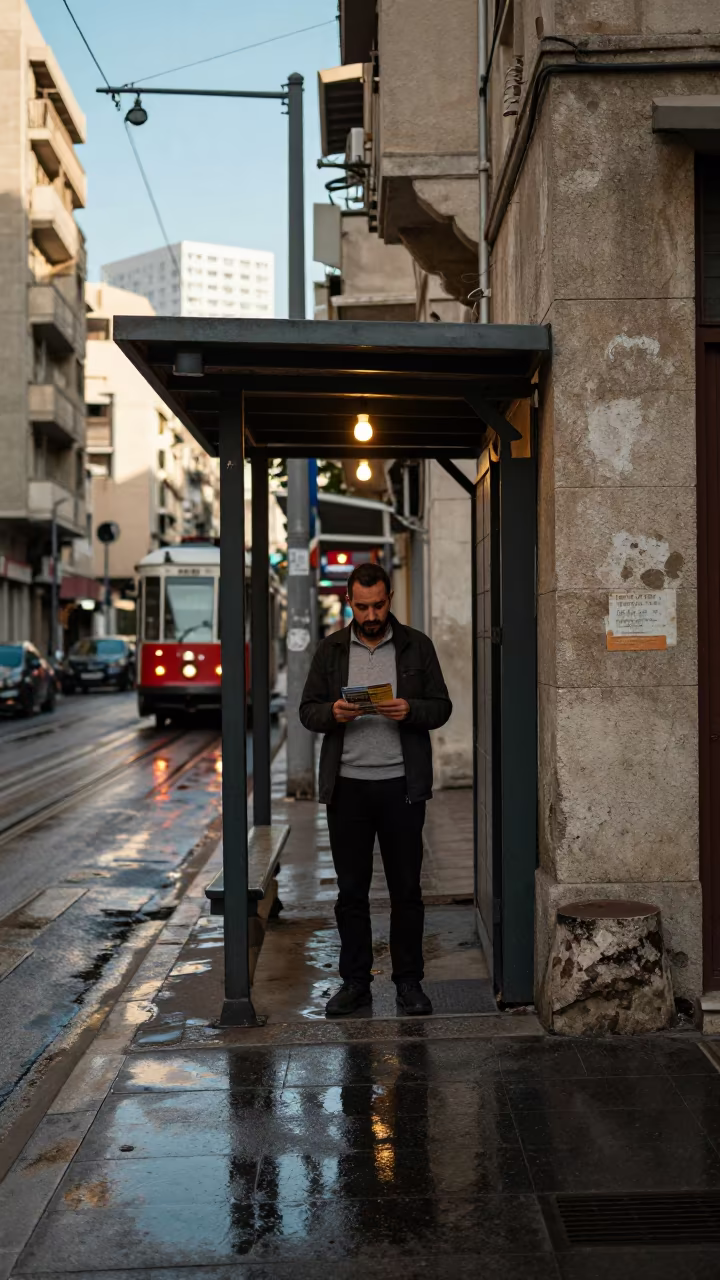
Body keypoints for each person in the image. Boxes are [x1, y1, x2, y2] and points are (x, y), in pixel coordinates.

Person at [299, 562, 452, 1017]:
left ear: (390, 600)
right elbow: (308, 712)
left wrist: (411, 710)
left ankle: (409, 983)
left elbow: (441, 706)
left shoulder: (415, 646)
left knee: (407, 890)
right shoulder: (331, 650)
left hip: (402, 788)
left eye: (379, 605)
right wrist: (334, 714)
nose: (371, 615)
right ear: (350, 602)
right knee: (352, 892)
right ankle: (355, 983)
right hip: (348, 790)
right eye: (362, 607)